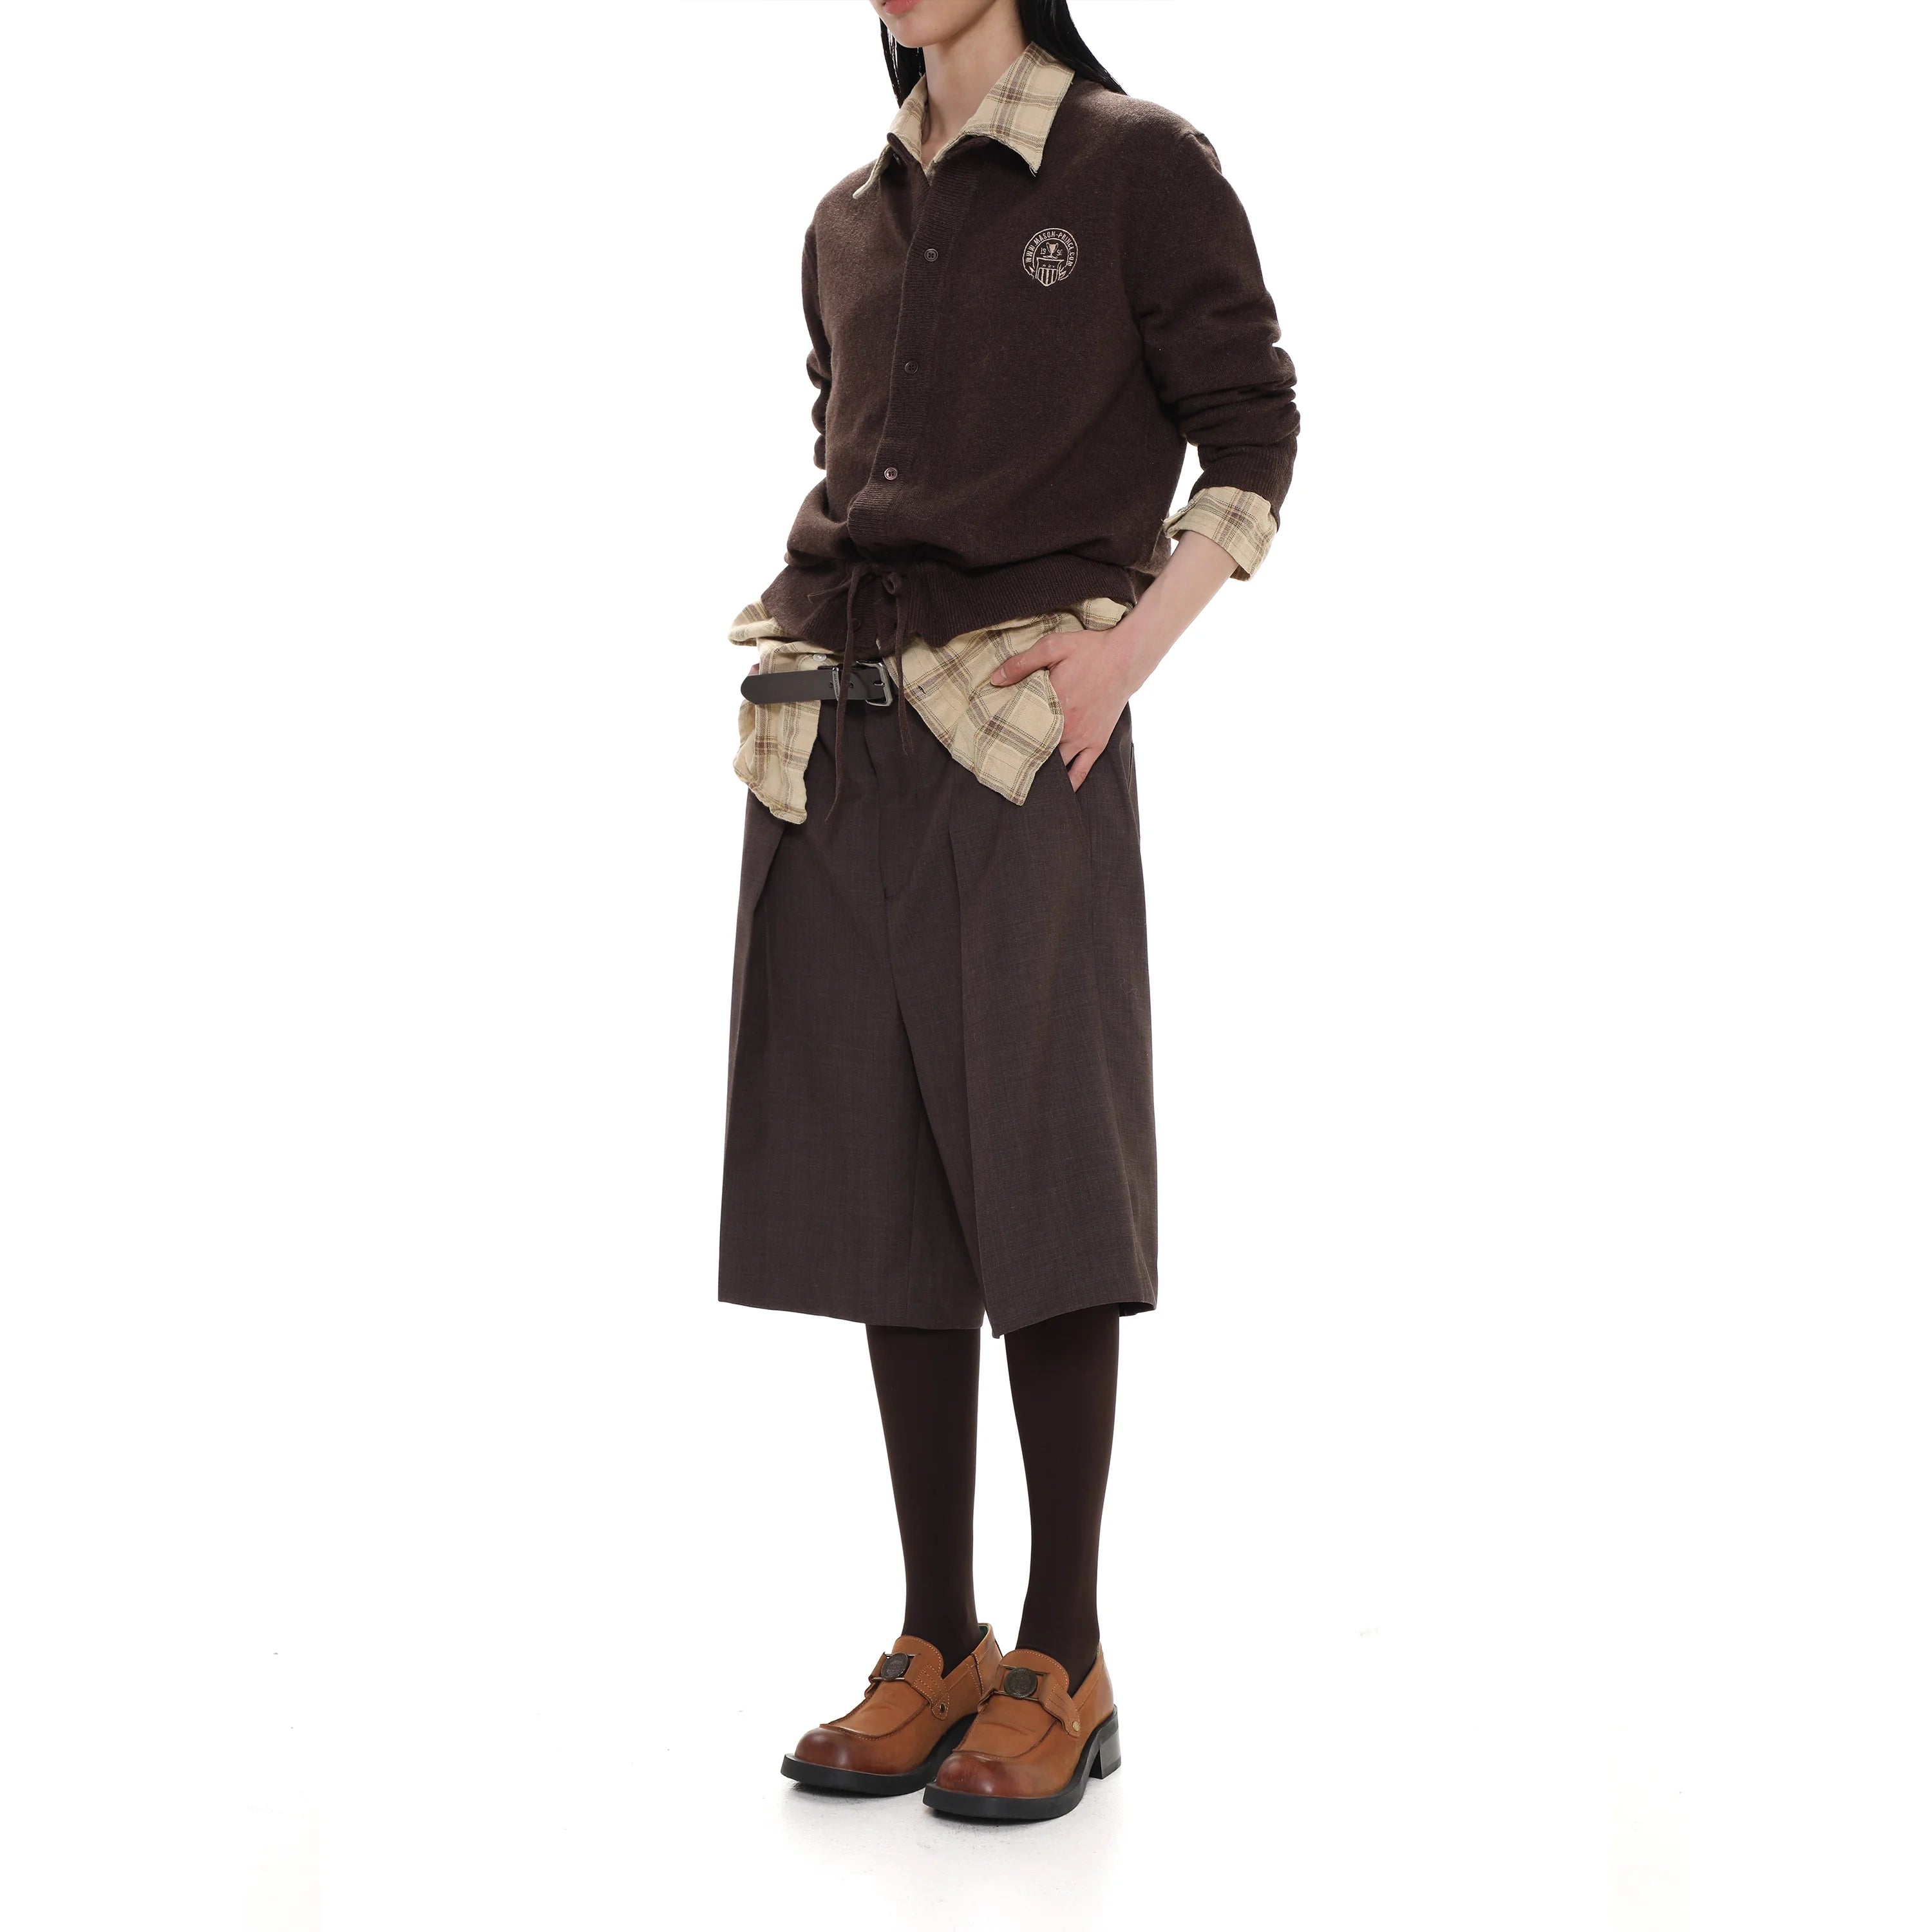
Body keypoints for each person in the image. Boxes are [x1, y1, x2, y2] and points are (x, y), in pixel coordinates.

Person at [719, 0, 1298, 1823]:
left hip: (1016, 731)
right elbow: (853, 456)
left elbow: (1254, 431)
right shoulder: (845, 220)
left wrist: (1129, 656)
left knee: (1045, 1170)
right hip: (833, 729)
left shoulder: (1135, 167)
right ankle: (940, 1635)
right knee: (884, 1185)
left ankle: (1066, 1651)